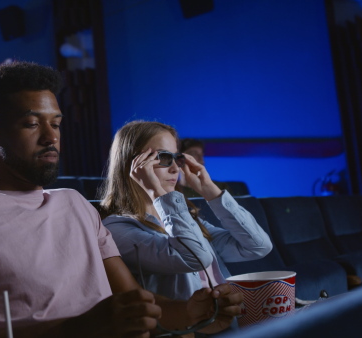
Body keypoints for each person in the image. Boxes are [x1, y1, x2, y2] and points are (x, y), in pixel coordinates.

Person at [0, 61, 243, 337]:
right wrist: (77, 329)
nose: (51, 137)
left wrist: (190, 310)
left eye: (56, 123)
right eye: (31, 124)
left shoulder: (75, 203)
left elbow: (132, 302)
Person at [100, 121, 272, 306]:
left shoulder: (186, 220)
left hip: (228, 324)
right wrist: (157, 192)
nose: (175, 168)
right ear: (133, 165)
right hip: (189, 331)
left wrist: (209, 191)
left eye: (177, 158)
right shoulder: (116, 230)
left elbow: (258, 246)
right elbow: (196, 258)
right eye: (164, 157)